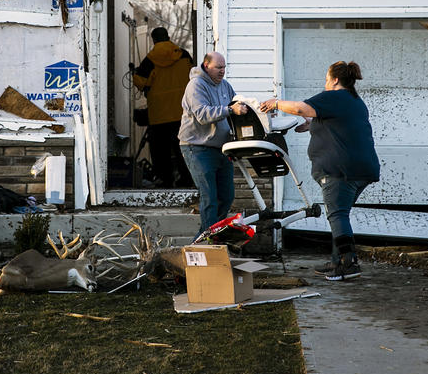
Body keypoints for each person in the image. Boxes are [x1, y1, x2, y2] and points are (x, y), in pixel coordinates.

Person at [260, 61, 379, 281]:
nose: (325, 83)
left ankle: (348, 264)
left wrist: (276, 104)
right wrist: (311, 124)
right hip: (362, 169)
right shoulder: (354, 101)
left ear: (335, 79)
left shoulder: (333, 96)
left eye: (326, 79)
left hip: (340, 170)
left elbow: (298, 108)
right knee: (340, 214)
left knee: (337, 214)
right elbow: (335, 123)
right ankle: (337, 261)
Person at [178, 52, 248, 235]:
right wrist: (230, 109)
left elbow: (236, 107)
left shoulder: (225, 86)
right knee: (210, 197)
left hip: (222, 148)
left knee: (227, 196)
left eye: (224, 67)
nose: (222, 71)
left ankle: (209, 237)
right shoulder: (196, 85)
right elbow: (203, 115)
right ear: (206, 65)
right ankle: (210, 242)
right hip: (196, 147)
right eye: (218, 67)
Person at [132, 27, 195, 188]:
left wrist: (134, 73)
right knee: (182, 148)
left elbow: (140, 82)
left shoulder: (150, 59)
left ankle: (165, 180)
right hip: (182, 112)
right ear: (168, 37)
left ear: (154, 40)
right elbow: (195, 76)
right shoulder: (184, 55)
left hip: (159, 114)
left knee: (161, 151)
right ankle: (186, 179)